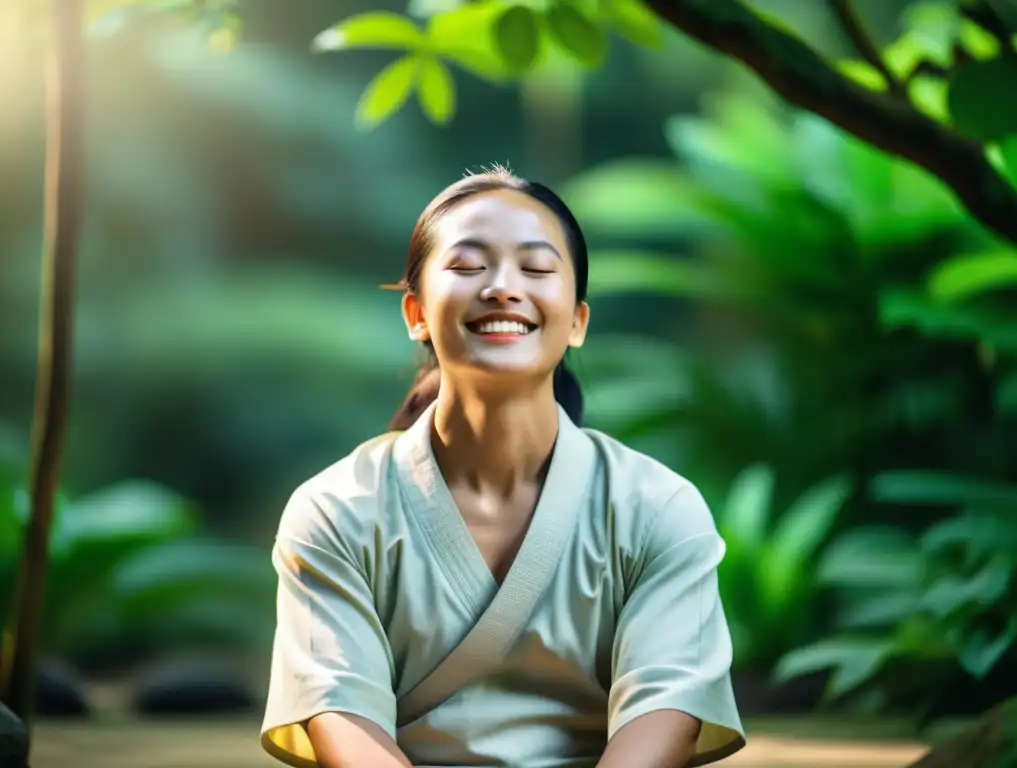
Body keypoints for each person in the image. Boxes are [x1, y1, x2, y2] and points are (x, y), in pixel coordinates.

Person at [260, 166, 745, 768]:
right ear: (415, 313)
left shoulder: (657, 507)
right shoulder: (335, 511)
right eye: (467, 267)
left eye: (537, 269)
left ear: (577, 321)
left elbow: (666, 711)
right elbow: (341, 715)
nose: (502, 288)